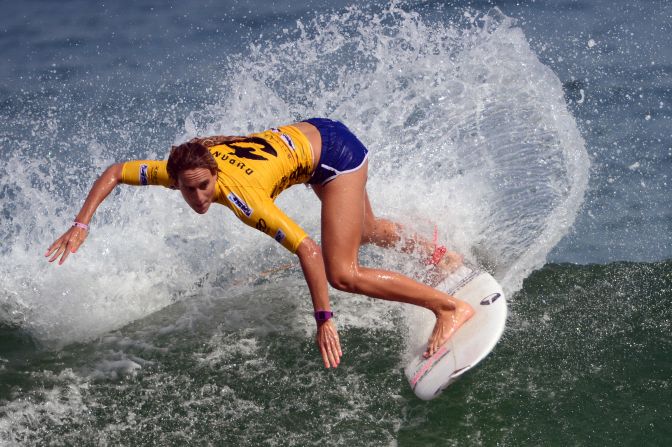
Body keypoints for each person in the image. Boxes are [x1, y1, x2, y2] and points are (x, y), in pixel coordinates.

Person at [45, 118, 474, 369]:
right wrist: (81, 223)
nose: (199, 198)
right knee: (365, 228)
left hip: (333, 157)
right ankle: (442, 257)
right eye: (188, 190)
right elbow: (118, 170)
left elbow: (308, 250)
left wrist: (324, 317)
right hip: (317, 132)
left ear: (214, 173)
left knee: (343, 272)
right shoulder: (178, 169)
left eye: (205, 186)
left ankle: (448, 307)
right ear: (172, 181)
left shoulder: (242, 198)